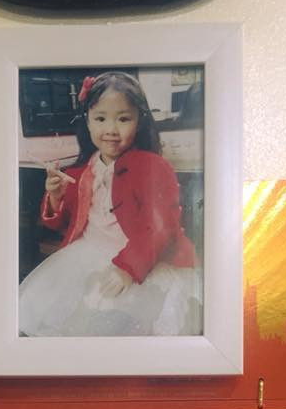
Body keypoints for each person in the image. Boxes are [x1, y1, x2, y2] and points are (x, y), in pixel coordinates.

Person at [18, 71, 202, 338]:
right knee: (72, 320)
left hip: (138, 258)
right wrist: (55, 197)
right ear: (87, 121)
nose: (111, 130)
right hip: (86, 255)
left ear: (139, 121)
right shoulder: (82, 171)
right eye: (100, 118)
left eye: (123, 119)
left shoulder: (152, 167)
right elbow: (67, 223)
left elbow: (161, 227)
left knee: (125, 324)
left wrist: (128, 269)